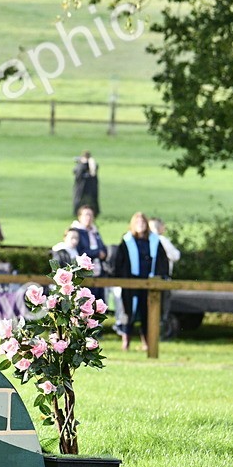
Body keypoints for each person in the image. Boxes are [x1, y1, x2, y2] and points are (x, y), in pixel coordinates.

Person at [110, 211, 170, 351]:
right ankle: (126, 341)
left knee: (147, 313)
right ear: (133, 225)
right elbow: (120, 262)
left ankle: (147, 343)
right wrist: (122, 279)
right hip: (131, 283)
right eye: (137, 223)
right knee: (128, 312)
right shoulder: (127, 241)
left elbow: (162, 261)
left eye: (143, 222)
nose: (140, 225)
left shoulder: (154, 241)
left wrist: (161, 276)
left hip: (150, 282)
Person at [71, 205, 108, 301]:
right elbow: (80, 251)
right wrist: (97, 253)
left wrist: (103, 253)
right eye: (86, 215)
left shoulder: (95, 232)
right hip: (84, 274)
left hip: (98, 272)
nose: (89, 218)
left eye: (91, 215)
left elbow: (103, 248)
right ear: (79, 217)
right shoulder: (76, 232)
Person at [73, 150, 99, 216]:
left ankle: (93, 212)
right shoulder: (81, 165)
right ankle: (77, 212)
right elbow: (77, 174)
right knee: (79, 200)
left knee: (90, 200)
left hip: (87, 186)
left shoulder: (91, 164)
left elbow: (93, 173)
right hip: (81, 186)